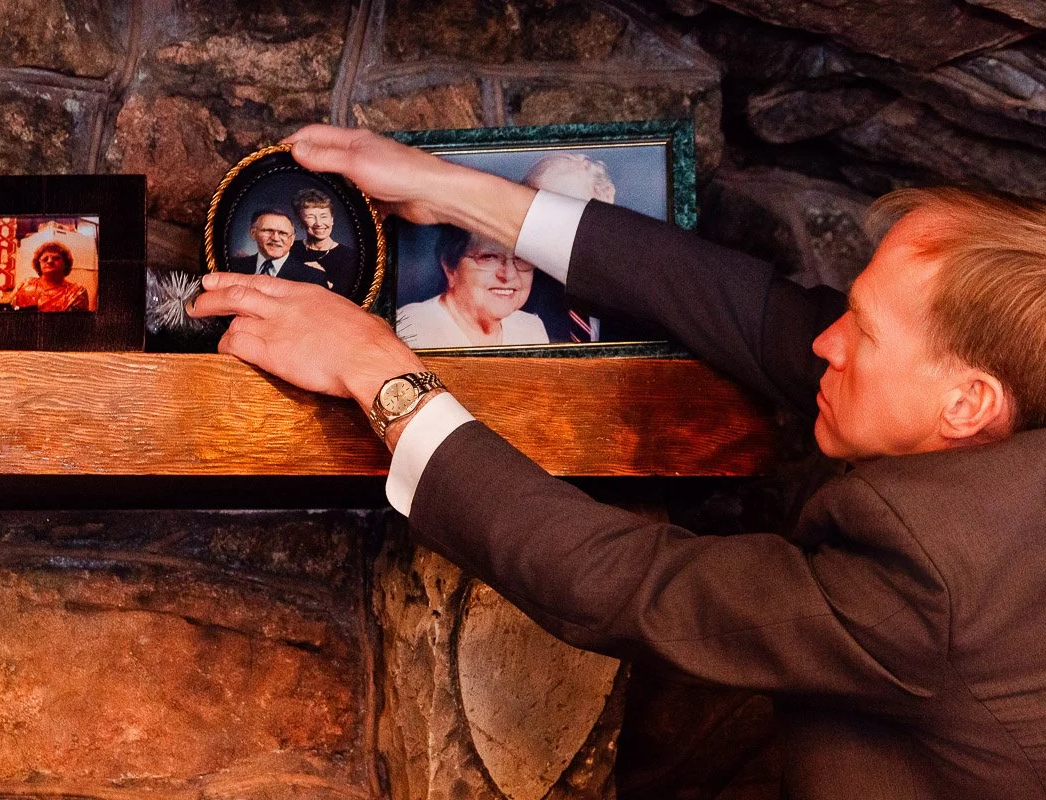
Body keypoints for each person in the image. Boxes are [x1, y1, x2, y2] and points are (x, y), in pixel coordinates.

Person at [189, 125, 1046, 798]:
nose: (824, 342)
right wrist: (450, 189)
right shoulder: (1019, 384)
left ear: (968, 404)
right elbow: (754, 312)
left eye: (860, 331)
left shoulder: (935, 580)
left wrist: (374, 368)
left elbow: (622, 583)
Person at [396, 225, 548, 348]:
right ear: (450, 268)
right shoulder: (408, 329)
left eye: (521, 258)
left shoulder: (532, 329)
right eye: (488, 257)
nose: (508, 274)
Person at [521, 152, 616, 342]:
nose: (557, 228)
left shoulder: (640, 279)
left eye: (571, 209)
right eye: (542, 215)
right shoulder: (519, 292)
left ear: (606, 198)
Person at [228, 208, 329, 288]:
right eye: (268, 231)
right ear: (253, 233)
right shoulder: (234, 267)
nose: (275, 238)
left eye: (283, 233)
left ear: (292, 239)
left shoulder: (313, 279)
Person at [288, 188, 358, 295]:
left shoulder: (350, 257)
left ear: (332, 219)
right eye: (311, 217)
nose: (319, 223)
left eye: (324, 216)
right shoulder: (289, 249)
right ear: (300, 221)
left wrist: (320, 277)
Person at [11, 241, 89, 312]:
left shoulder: (76, 291)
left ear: (66, 263)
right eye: (45, 259)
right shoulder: (25, 284)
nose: (50, 261)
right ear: (39, 264)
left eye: (56, 258)